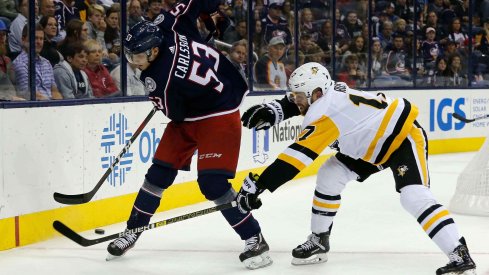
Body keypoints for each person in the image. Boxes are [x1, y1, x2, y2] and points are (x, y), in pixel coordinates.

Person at [236, 62, 477, 274]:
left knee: (413, 196)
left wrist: (259, 185)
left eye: (299, 95)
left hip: (402, 138)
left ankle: (459, 253)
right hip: (369, 145)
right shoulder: (328, 93)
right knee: (330, 174)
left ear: (316, 94)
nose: (295, 99)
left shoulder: (324, 114)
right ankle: (319, 239)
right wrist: (277, 110)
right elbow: (299, 103)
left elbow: (294, 160)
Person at [105, 0, 272, 270]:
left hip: (219, 113)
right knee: (158, 175)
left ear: (154, 50)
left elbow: (175, 114)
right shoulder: (166, 26)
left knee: (213, 185)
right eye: (130, 55)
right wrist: (212, 12)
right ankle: (132, 230)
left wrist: (164, 93)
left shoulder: (159, 79)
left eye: (137, 56)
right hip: (201, 102)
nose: (133, 61)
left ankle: (254, 237)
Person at [12, 24, 62, 100]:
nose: (39, 42)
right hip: (33, 109)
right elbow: (27, 94)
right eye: (35, 38)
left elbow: (54, 91)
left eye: (41, 39)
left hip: (51, 108)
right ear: (23, 39)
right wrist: (51, 104)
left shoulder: (47, 63)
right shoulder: (20, 64)